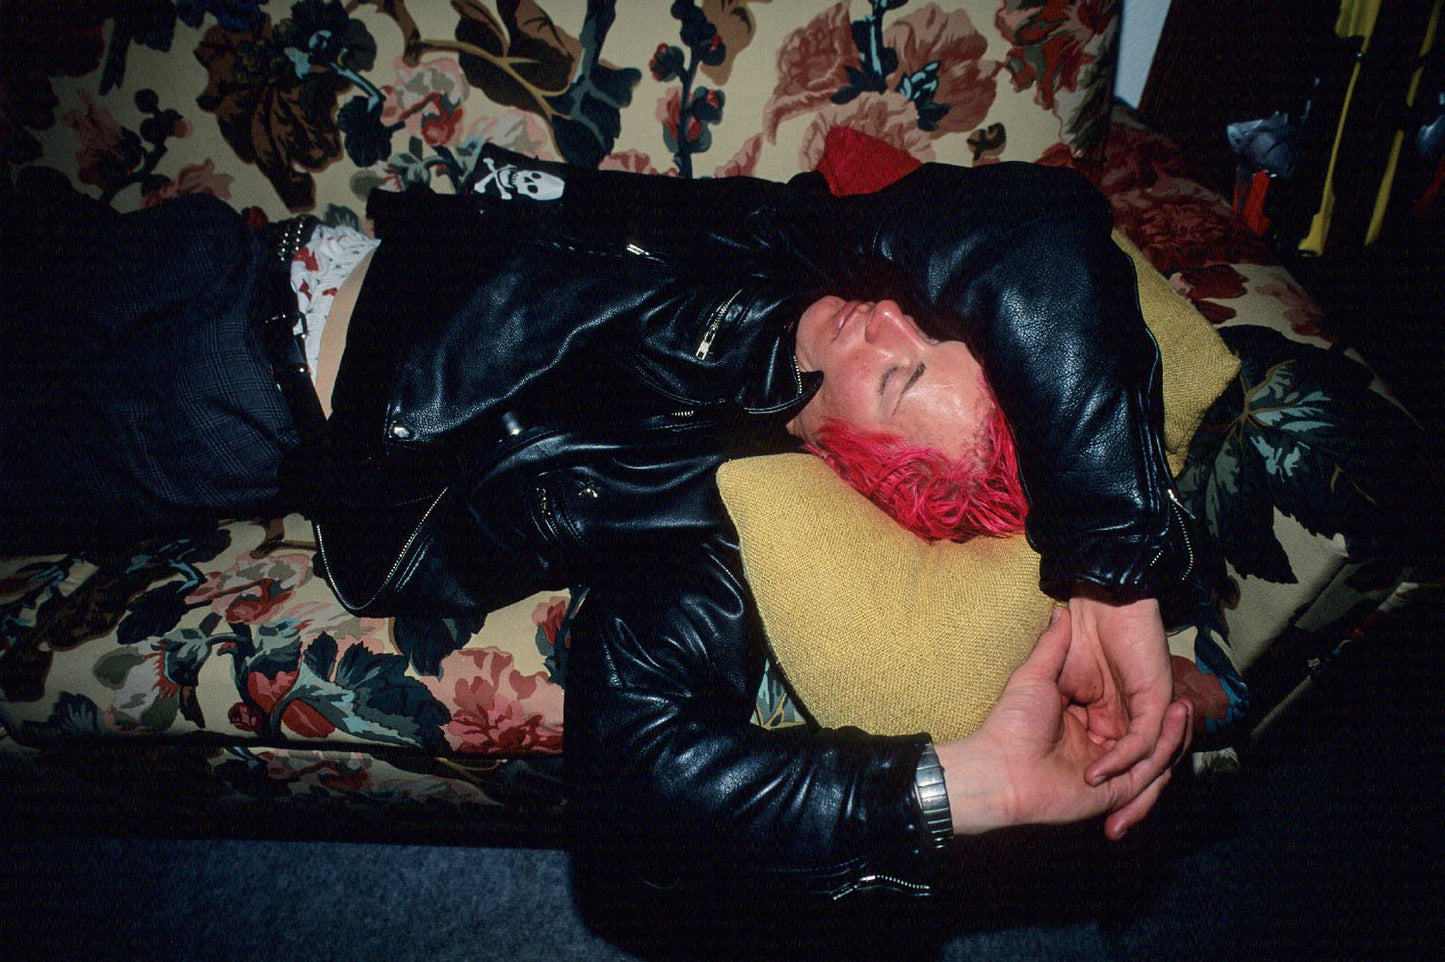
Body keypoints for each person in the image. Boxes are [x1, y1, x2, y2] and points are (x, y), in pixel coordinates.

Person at [0, 145, 1197, 898]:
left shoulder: (708, 521)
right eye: (928, 323)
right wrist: (1112, 562)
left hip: (225, 390)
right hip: (237, 250)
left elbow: (638, 787)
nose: (886, 318)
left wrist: (964, 787)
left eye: (897, 374)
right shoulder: (801, 248)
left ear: (857, 465)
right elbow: (1036, 225)